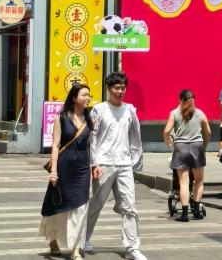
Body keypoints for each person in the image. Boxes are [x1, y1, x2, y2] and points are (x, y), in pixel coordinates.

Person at [86, 72, 146, 260]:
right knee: (96, 203)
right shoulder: (99, 110)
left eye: (123, 88)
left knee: (130, 206)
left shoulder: (130, 110)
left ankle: (132, 247)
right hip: (103, 163)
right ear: (108, 88)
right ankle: (84, 238)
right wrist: (94, 162)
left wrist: (134, 162)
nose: (120, 91)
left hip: (124, 164)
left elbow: (135, 138)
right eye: (116, 88)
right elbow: (92, 138)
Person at [40, 83, 92, 259]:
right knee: (60, 205)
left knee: (81, 206)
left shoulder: (90, 118)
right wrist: (53, 171)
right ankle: (53, 240)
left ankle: (76, 248)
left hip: (82, 167)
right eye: (84, 95)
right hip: (64, 166)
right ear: (75, 97)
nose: (88, 98)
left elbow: (92, 144)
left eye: (89, 95)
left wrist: (96, 164)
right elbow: (55, 145)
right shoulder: (61, 118)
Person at [163, 89, 211, 222]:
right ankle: (196, 209)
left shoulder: (174, 113)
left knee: (183, 182)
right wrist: (204, 146)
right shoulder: (200, 113)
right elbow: (208, 132)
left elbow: (166, 131)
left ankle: (184, 214)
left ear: (180, 100)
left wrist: (169, 143)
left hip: (180, 148)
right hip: (197, 147)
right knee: (199, 180)